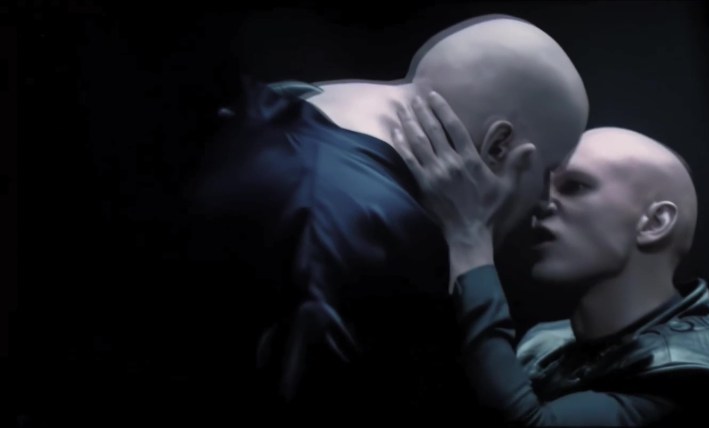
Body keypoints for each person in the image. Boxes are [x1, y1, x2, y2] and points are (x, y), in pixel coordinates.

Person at [184, 14, 588, 425]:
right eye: (547, 170)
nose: (544, 199)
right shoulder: (382, 233)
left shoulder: (279, 102)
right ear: (498, 146)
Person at [392, 94, 709, 426]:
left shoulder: (698, 365)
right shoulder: (545, 343)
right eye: (545, 188)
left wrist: (469, 235)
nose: (542, 204)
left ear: (655, 222)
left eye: (575, 186)